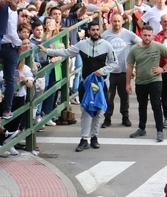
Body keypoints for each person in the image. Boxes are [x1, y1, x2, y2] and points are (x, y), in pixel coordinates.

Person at [40, 20, 118, 151]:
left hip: (102, 83)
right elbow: (66, 52)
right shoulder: (82, 44)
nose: (95, 32)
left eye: (97, 30)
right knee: (85, 111)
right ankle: (84, 139)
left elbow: (114, 63)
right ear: (88, 31)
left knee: (99, 111)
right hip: (85, 83)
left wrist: (103, 71)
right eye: (93, 30)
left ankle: (94, 137)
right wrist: (47, 51)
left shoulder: (107, 45)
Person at [127, 25, 167, 142]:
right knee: (142, 106)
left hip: (155, 80)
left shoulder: (158, 46)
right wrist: (127, 83)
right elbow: (129, 66)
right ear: (141, 35)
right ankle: (141, 128)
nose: (147, 37)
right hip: (140, 81)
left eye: (149, 35)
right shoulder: (134, 49)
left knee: (156, 105)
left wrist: (163, 69)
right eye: (145, 35)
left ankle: (160, 131)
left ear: (153, 36)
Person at [101, 13, 140, 128]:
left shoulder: (128, 34)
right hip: (110, 72)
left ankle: (125, 117)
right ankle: (107, 118)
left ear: (122, 22)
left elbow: (141, 43)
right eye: (114, 21)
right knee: (109, 97)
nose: (117, 23)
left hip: (124, 71)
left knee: (124, 97)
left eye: (119, 21)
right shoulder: (105, 35)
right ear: (111, 22)